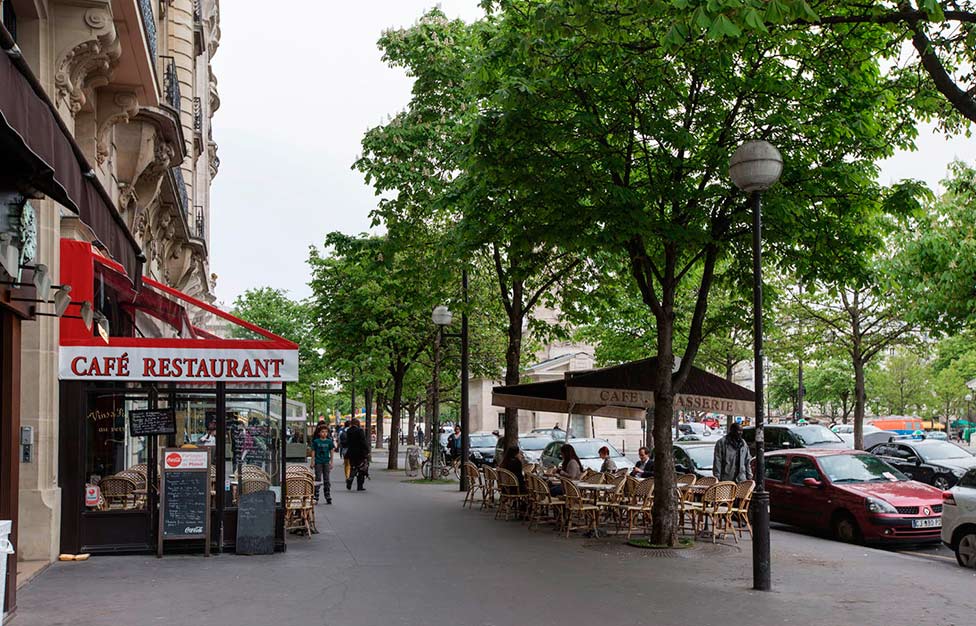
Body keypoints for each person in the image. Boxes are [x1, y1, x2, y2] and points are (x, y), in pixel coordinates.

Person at [310, 425, 335, 504]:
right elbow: (313, 452)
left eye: (326, 432)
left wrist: (331, 462)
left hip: (326, 462)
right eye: (322, 432)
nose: (324, 433)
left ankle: (327, 494)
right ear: (319, 433)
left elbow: (331, 452)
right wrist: (312, 462)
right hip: (318, 462)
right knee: (318, 478)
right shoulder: (316, 441)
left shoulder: (329, 441)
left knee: (326, 478)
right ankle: (316, 495)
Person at [344, 418, 369, 491]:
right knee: (361, 468)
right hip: (360, 453)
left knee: (353, 467)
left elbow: (347, 442)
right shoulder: (360, 431)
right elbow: (363, 441)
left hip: (351, 453)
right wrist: (367, 450)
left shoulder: (349, 431)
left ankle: (350, 478)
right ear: (358, 423)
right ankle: (359, 486)